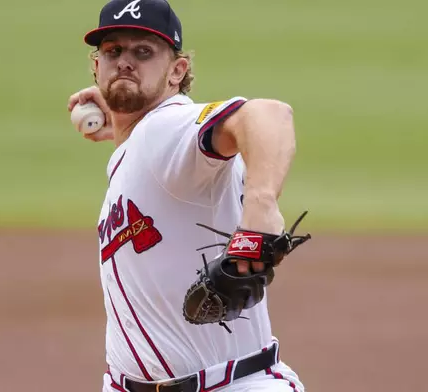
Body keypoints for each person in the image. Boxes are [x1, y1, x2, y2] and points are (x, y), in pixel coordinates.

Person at [67, 1, 307, 391]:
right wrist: (121, 119)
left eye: (143, 52)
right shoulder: (143, 145)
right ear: (96, 67)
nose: (126, 62)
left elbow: (270, 114)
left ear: (177, 71)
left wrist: (261, 207)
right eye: (113, 52)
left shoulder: (165, 130)